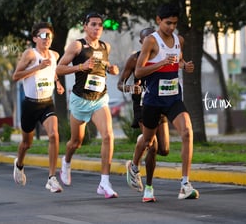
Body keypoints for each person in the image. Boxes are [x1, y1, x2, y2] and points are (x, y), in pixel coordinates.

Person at [129, 3, 199, 201]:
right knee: (148, 141)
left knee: (187, 131)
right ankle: (134, 166)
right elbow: (139, 71)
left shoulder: (179, 40)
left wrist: (185, 66)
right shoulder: (151, 42)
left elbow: (179, 59)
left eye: (175, 24)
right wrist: (160, 64)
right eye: (168, 23)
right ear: (158, 20)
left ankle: (185, 183)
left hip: (173, 98)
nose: (171, 27)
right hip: (153, 100)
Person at [56, 12, 120, 198]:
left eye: (100, 25)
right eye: (93, 24)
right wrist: (80, 67)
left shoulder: (105, 46)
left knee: (108, 136)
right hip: (79, 99)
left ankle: (104, 183)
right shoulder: (77, 45)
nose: (97, 28)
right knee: (76, 142)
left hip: (99, 98)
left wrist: (111, 68)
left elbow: (103, 62)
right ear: (85, 26)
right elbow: (59, 68)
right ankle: (66, 162)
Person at [117, 27, 170, 202]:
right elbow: (120, 84)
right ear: (142, 43)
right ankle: (148, 188)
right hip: (142, 104)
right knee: (152, 146)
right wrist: (131, 87)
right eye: (146, 39)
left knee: (164, 149)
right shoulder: (134, 59)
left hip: (160, 102)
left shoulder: (165, 57)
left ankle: (133, 163)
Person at [12, 21, 64, 193]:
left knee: (54, 135)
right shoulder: (30, 55)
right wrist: (37, 67)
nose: (46, 39)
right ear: (35, 38)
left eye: (49, 35)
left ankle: (51, 178)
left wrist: (57, 83)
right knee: (27, 143)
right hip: (30, 104)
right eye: (42, 35)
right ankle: (19, 164)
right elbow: (16, 76)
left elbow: (53, 71)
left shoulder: (55, 55)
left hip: (47, 103)